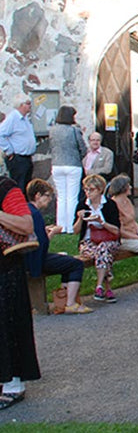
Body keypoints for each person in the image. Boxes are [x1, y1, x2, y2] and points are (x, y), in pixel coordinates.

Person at [0, 175, 39, 410]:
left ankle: (14, 384)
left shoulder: (6, 188)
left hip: (6, 270)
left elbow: (26, 225)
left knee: (9, 325)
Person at [24, 179, 92, 313]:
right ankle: (70, 303)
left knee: (65, 260)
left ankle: (63, 301)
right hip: (35, 260)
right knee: (75, 264)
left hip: (28, 257)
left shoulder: (26, 210)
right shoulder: (35, 214)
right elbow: (42, 244)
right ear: (38, 195)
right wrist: (53, 233)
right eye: (47, 196)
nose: (49, 200)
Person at [74, 174, 120, 303]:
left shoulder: (109, 205)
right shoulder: (82, 205)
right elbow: (75, 231)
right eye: (86, 189)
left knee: (103, 248)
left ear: (100, 190)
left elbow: (116, 230)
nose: (88, 193)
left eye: (91, 189)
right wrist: (80, 218)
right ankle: (106, 288)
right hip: (89, 242)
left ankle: (99, 286)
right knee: (103, 253)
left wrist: (102, 222)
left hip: (108, 240)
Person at [48, 104, 87, 233]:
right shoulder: (74, 130)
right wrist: (79, 156)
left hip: (57, 164)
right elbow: (82, 148)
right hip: (73, 164)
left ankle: (60, 225)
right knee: (72, 196)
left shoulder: (52, 130)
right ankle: (70, 226)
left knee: (61, 196)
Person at [0, 95, 37, 192]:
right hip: (18, 158)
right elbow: (1, 134)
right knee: (19, 186)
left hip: (26, 157)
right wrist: (9, 151)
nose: (30, 106)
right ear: (21, 105)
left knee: (26, 186)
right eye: (28, 104)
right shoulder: (13, 118)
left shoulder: (25, 119)